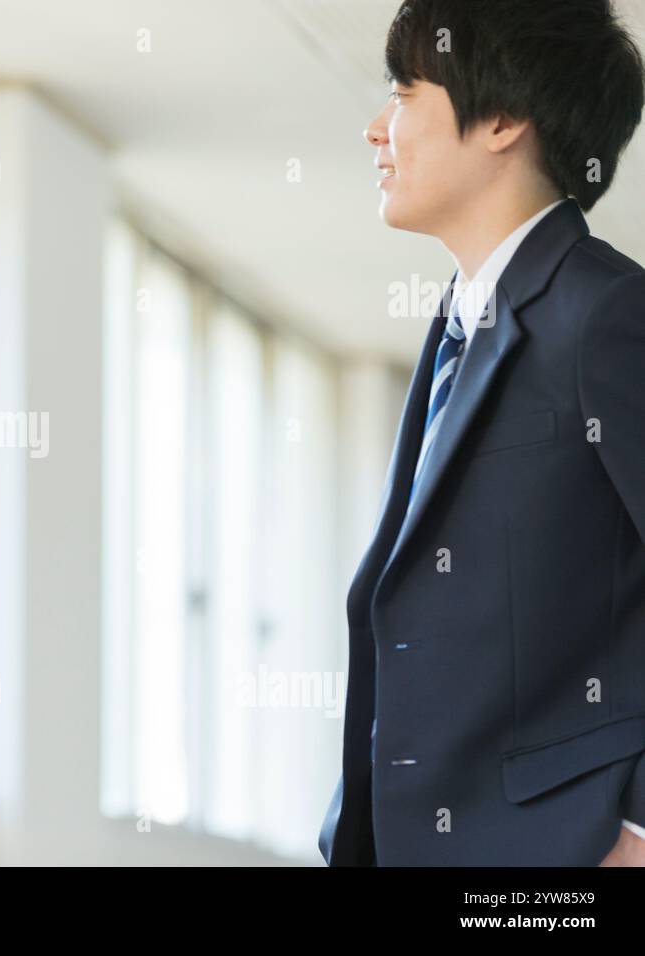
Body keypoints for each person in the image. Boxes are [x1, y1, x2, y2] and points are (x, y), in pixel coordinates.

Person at [320, 0, 645, 865]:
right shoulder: (459, 325)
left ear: (500, 118)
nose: (376, 129)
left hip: (558, 850)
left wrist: (640, 829)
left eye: (403, 91)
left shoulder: (608, 312)